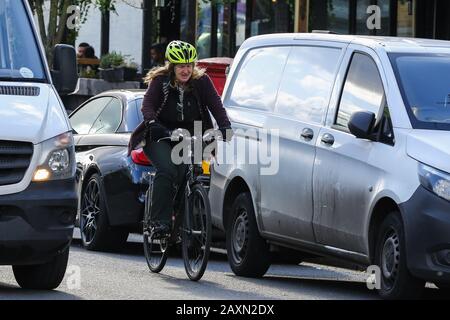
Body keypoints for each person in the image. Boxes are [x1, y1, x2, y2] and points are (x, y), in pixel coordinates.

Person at [129, 40, 232, 236]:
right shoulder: (160, 81)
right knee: (167, 170)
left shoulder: (201, 82)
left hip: (192, 134)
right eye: (181, 66)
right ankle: (159, 222)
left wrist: (225, 126)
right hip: (161, 134)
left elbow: (216, 105)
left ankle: (183, 221)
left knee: (190, 174)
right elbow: (148, 105)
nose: (185, 70)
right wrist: (152, 123)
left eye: (189, 66)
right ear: (172, 66)